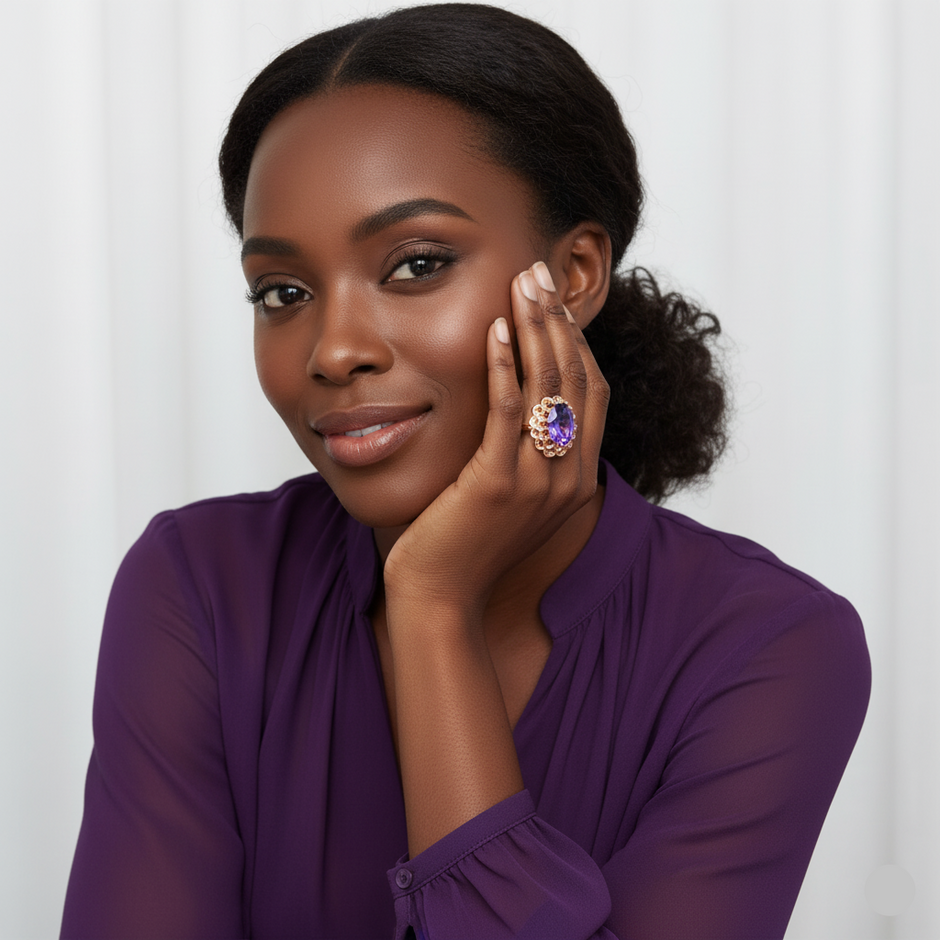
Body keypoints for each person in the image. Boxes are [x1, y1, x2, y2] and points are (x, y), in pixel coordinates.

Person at [60, 4, 871, 938]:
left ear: (571, 275)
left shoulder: (768, 648)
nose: (334, 349)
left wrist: (432, 605)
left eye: (415, 265)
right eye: (283, 291)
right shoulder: (201, 586)